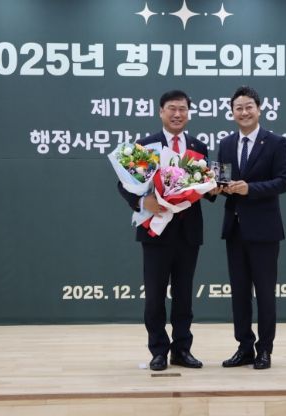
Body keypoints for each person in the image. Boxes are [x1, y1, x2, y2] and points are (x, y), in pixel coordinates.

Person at [117, 90, 210, 371]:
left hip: (188, 232)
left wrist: (213, 187)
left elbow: (206, 186)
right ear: (161, 112)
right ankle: (158, 351)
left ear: (189, 113)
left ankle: (182, 349)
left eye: (182, 109)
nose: (177, 114)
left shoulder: (198, 146)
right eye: (172, 108)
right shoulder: (146, 146)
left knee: (184, 295)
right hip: (155, 230)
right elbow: (124, 184)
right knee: (155, 295)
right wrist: (141, 202)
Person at [211, 86, 286, 370]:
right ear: (232, 112)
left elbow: (284, 181)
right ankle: (244, 347)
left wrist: (250, 189)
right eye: (238, 108)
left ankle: (265, 349)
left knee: (265, 293)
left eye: (249, 107)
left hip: (265, 230)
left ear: (259, 109)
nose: (244, 112)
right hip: (234, 229)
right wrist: (215, 188)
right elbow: (221, 181)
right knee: (240, 293)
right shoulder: (226, 143)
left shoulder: (276, 142)